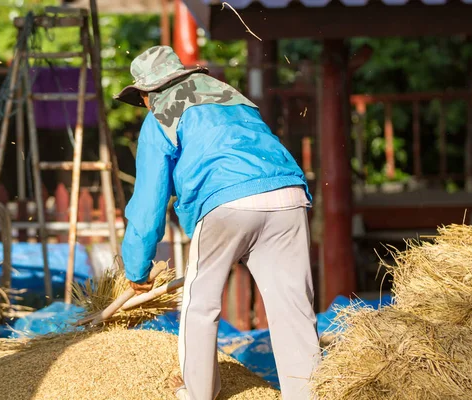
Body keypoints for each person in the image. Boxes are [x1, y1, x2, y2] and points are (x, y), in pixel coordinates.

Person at [114, 45, 320, 400]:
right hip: (288, 195)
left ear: (148, 93)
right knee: (294, 307)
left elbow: (149, 203)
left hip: (227, 200)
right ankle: (307, 394)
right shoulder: (232, 97)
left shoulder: (160, 115)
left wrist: (136, 270)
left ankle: (198, 393)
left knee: (200, 304)